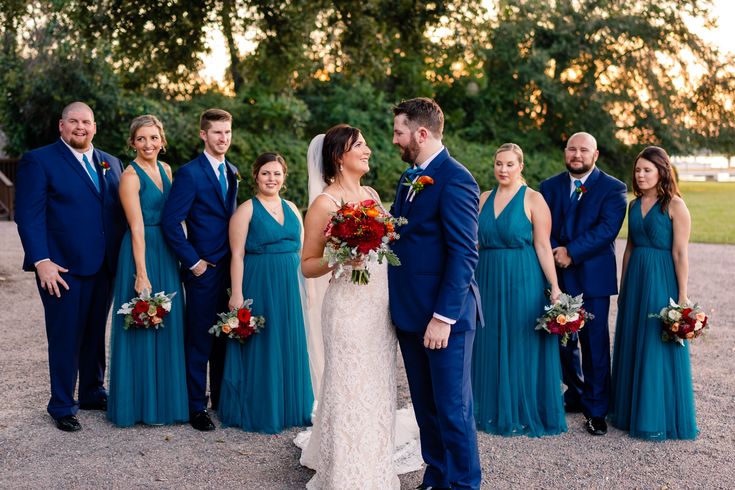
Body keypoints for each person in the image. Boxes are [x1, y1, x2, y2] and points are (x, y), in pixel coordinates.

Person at [297, 125, 422, 489]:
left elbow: (390, 244)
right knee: (349, 387)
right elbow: (307, 263)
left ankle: (375, 464)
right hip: (347, 309)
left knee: (379, 387)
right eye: (360, 146)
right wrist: (339, 257)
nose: (368, 150)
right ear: (339, 156)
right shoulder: (325, 203)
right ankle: (345, 473)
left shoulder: (370, 193)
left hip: (379, 308)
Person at [388, 98, 482, 490]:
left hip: (446, 319)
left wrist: (443, 317)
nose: (394, 140)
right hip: (411, 315)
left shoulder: (456, 179)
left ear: (421, 134)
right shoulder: (409, 178)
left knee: (453, 409)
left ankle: (463, 483)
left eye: (399, 132)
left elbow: (464, 254)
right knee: (425, 409)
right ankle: (437, 475)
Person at [15, 101, 127, 431]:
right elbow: (28, 215)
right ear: (61, 125)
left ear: (94, 127)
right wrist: (42, 261)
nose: (81, 127)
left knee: (95, 331)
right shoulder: (40, 160)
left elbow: (118, 212)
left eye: (87, 122)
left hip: (104, 264)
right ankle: (62, 404)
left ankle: (92, 391)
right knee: (66, 335)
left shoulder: (111, 162)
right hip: (61, 267)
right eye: (74, 121)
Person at [472, 143, 567, 437]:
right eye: (499, 163)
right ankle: (487, 407)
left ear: (520, 166)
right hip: (486, 275)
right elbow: (474, 242)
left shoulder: (534, 199)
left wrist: (554, 286)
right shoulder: (483, 198)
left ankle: (522, 409)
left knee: (519, 339)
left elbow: (542, 245)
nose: (503, 169)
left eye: (510, 164)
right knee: (487, 338)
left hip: (522, 277)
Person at [539, 132, 627, 436]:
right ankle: (576, 393)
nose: (577, 155)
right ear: (565, 152)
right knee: (561, 341)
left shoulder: (614, 189)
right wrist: (554, 252)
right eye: (572, 149)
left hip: (593, 278)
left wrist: (571, 253)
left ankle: (596, 409)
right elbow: (541, 225)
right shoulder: (548, 187)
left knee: (595, 344)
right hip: (557, 276)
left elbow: (606, 230)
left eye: (584, 150)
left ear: (596, 154)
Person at [218, 153, 313, 433]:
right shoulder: (246, 210)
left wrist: (307, 289)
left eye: (276, 174)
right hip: (259, 281)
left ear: (284, 178)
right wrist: (236, 294)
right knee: (264, 343)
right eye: (265, 173)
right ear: (256, 177)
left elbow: (302, 250)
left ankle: (290, 408)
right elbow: (236, 255)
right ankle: (262, 408)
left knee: (288, 340)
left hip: (290, 283)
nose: (271, 179)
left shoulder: (294, 208)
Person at [609, 146, 698, 440]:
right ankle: (629, 411)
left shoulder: (675, 205)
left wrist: (682, 296)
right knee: (633, 336)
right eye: (638, 170)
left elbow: (680, 253)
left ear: (662, 171)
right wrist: (623, 287)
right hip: (636, 278)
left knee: (654, 340)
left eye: (647, 170)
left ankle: (656, 415)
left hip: (661, 278)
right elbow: (630, 247)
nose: (641, 175)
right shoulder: (633, 205)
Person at [107, 115, 188, 427]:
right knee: (141, 322)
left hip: (166, 251)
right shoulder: (130, 176)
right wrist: (141, 271)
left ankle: (168, 402)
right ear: (132, 142)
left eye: (153, 138)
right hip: (141, 250)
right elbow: (136, 226)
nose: (148, 144)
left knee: (168, 323)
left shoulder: (166, 169)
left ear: (162, 140)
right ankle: (139, 405)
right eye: (141, 139)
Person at [161, 109, 238, 431]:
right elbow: (170, 222)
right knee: (199, 340)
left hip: (230, 269)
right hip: (204, 271)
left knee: (226, 335)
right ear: (203, 135)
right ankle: (196, 406)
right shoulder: (190, 174)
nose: (223, 138)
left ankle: (220, 400)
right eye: (217, 133)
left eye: (227, 132)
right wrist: (194, 263)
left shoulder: (232, 171)